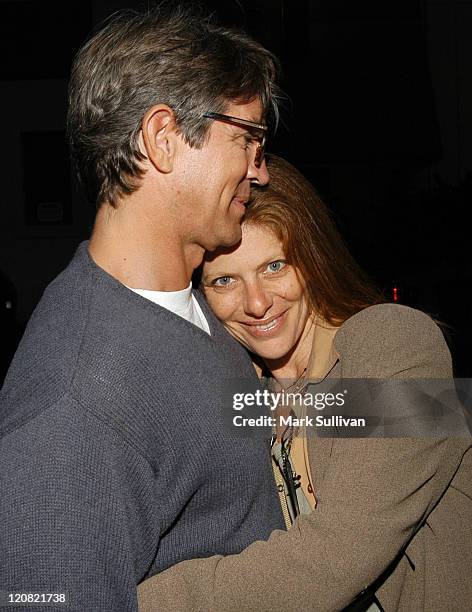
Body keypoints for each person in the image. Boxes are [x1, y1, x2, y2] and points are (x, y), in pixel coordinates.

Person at [0, 7, 286, 611]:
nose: (258, 171)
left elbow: (241, 415)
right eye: (247, 138)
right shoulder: (73, 407)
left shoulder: (202, 299)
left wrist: (423, 405)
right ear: (163, 138)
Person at [138, 155, 472, 611]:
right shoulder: (246, 389)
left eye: (275, 267)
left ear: (313, 260)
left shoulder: (396, 344)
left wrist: (127, 601)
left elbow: (337, 555)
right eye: (225, 280)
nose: (256, 303)